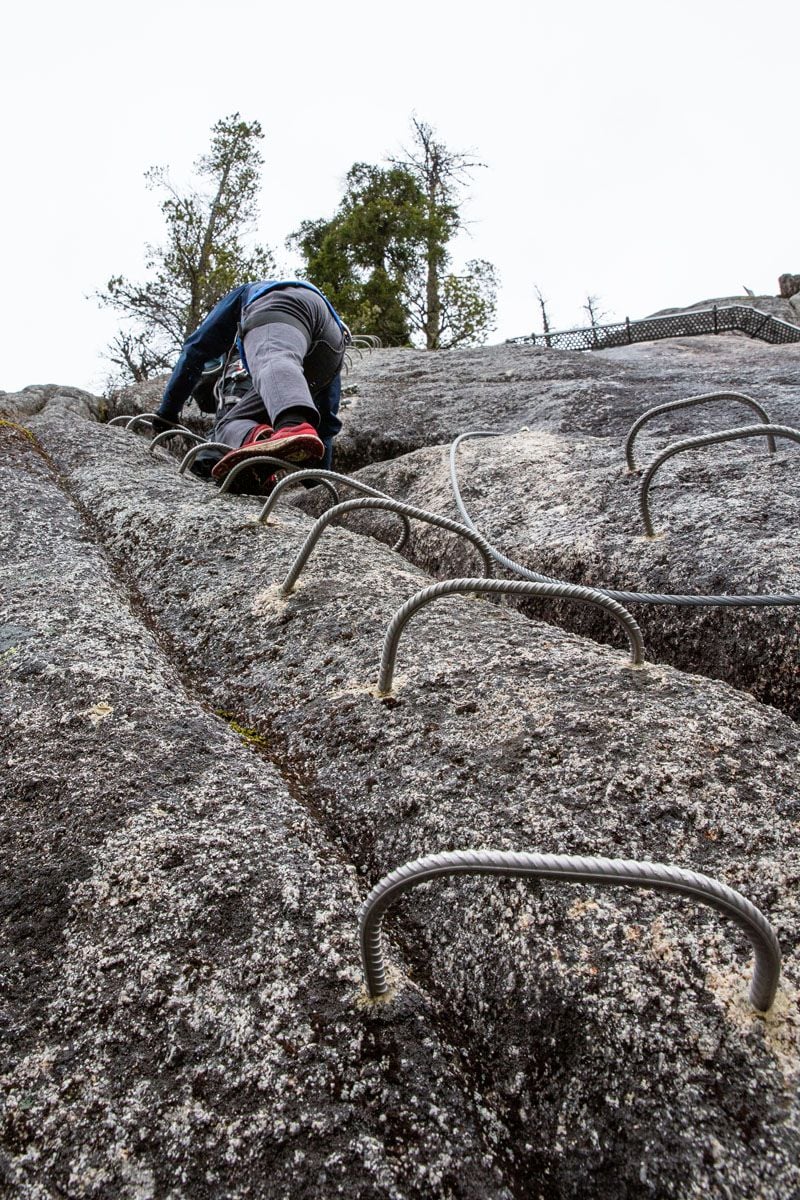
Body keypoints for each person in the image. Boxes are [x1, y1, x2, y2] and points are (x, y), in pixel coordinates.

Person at [152, 280, 349, 490]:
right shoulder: (285, 377)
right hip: (334, 344)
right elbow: (327, 419)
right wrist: (318, 485)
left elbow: (194, 350)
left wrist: (168, 412)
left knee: (272, 357)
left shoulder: (249, 294)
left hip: (285, 307)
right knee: (230, 423)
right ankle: (259, 445)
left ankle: (291, 425)